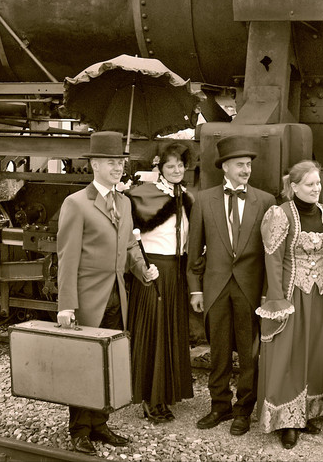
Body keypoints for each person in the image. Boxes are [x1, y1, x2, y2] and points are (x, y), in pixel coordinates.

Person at [56, 131, 160, 455]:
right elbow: (67, 258)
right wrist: (66, 306)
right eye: (112, 162)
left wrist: (143, 269)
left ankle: (99, 424)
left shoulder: (124, 203)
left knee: (108, 363)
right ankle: (80, 430)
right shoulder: (75, 204)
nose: (118, 168)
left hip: (118, 295)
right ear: (95, 165)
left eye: (121, 162)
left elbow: (129, 244)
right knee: (83, 365)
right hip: (88, 299)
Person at [187, 135, 276, 437]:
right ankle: (219, 405)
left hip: (250, 289)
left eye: (248, 165)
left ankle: (244, 411)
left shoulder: (265, 201)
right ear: (225, 167)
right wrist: (196, 289)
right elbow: (194, 248)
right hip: (215, 286)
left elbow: (270, 254)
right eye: (240, 164)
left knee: (250, 355)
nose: (246, 170)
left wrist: (267, 292)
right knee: (219, 351)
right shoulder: (203, 199)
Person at [256, 160, 323, 449]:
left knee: (316, 353)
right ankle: (285, 420)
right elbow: (273, 259)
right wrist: (277, 299)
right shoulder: (281, 214)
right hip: (291, 295)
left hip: (322, 295)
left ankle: (307, 413)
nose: (315, 189)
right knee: (288, 355)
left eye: (317, 183)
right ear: (293, 187)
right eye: (309, 184)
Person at [125, 142, 195, 423]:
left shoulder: (185, 196)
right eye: (170, 166)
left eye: (180, 165)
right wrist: (142, 268)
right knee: (153, 332)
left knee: (171, 331)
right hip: (153, 269)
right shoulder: (143, 194)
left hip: (176, 272)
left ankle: (165, 393)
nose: (176, 170)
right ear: (160, 168)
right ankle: (149, 399)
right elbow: (129, 235)